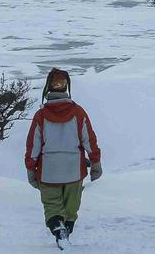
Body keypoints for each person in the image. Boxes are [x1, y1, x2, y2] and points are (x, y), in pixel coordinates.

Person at [24, 67, 102, 243]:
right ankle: (66, 229)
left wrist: (30, 168)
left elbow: (33, 146)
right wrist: (95, 163)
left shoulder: (41, 116)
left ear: (49, 88)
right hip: (74, 170)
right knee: (71, 207)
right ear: (66, 88)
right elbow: (89, 140)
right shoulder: (78, 112)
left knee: (52, 206)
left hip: (48, 171)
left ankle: (58, 229)